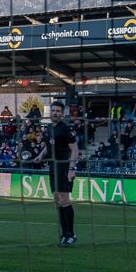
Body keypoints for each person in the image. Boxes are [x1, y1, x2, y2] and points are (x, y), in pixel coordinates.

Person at [49, 100, 79, 246]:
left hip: (64, 167)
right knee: (57, 200)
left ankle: (71, 234)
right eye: (53, 110)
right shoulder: (50, 128)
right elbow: (49, 146)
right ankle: (64, 234)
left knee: (64, 200)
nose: (55, 113)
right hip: (52, 167)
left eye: (58, 111)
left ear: (62, 113)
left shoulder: (65, 129)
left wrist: (71, 169)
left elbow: (75, 150)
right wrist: (40, 156)